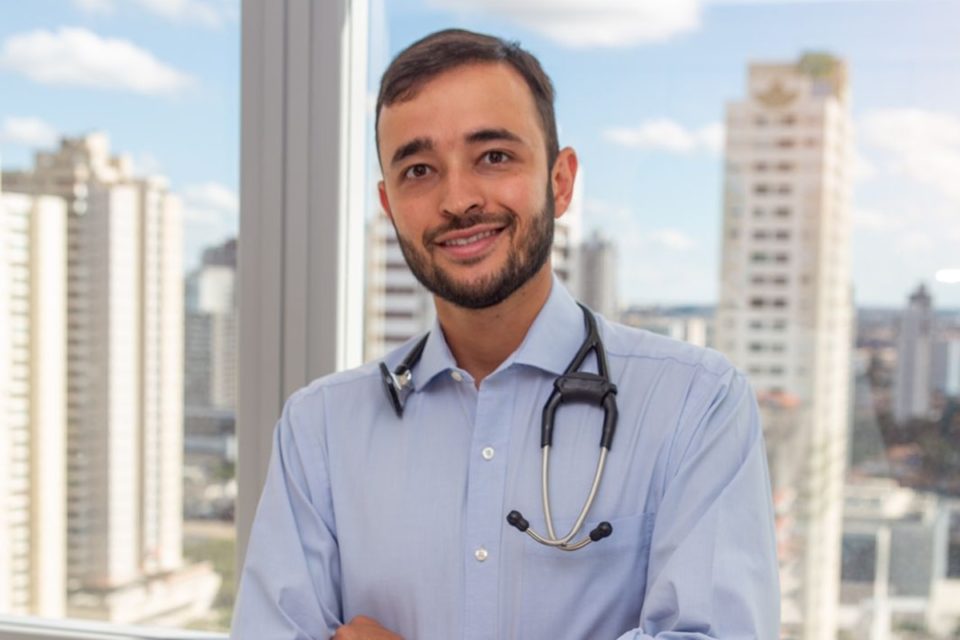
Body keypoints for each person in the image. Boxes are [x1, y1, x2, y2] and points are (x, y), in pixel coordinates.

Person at [232, 28, 780, 640]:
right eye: (419, 170)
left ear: (561, 180)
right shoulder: (318, 430)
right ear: (389, 207)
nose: (458, 199)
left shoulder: (696, 405)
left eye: (494, 156)